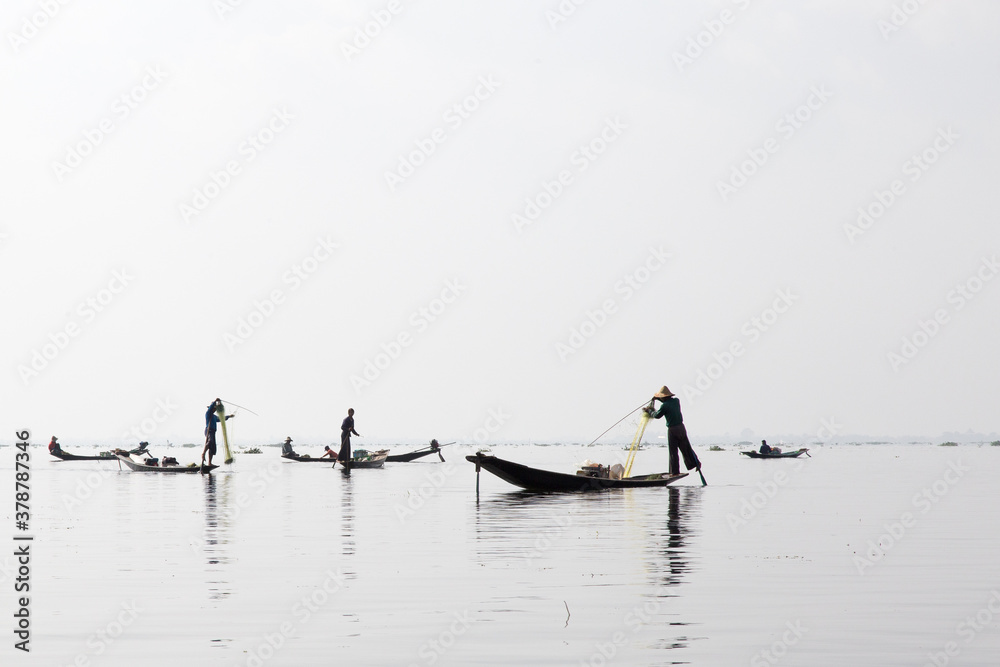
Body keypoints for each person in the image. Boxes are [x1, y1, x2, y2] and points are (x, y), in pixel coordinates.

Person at [644, 386, 701, 475]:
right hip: (681, 428)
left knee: (673, 452)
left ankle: (674, 472)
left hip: (673, 430)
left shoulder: (664, 406)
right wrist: (657, 399)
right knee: (686, 448)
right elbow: (667, 402)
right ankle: (696, 463)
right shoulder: (676, 401)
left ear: (663, 397)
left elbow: (657, 415)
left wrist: (649, 411)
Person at [201, 398, 234, 467]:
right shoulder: (208, 413)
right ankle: (203, 453)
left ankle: (210, 463)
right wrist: (215, 401)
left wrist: (229, 416)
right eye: (214, 409)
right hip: (208, 430)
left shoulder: (214, 417)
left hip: (213, 432)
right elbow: (210, 408)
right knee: (210, 442)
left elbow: (221, 418)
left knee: (212, 447)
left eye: (215, 409)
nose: (215, 410)